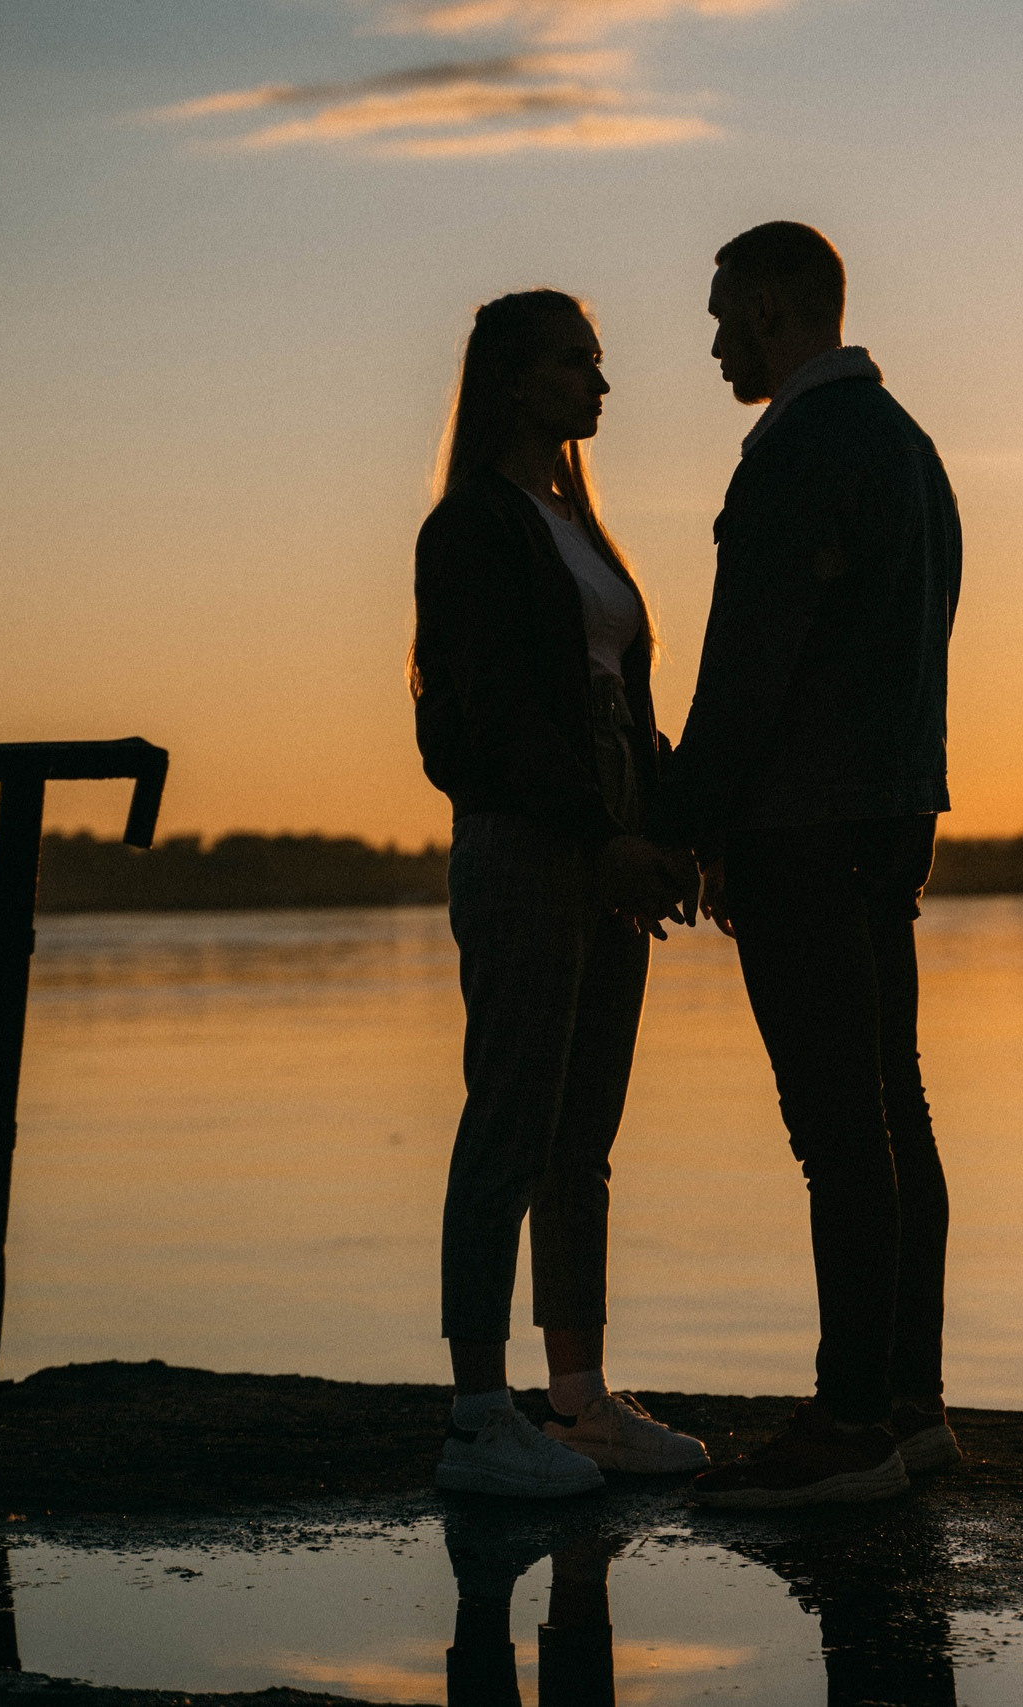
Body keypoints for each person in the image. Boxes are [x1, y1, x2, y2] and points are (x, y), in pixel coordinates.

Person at [660, 223, 965, 1508]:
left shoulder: (799, 454)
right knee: (893, 1108)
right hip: (888, 818)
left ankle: (849, 1425)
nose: (715, 344)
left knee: (836, 1127)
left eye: (723, 317)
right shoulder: (909, 449)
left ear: (774, 310)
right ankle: (909, 1402)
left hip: (802, 827)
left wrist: (681, 821)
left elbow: (750, 665)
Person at [411, 288, 710, 1497]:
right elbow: (494, 716)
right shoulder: (470, 527)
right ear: (516, 379)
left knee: (581, 1139)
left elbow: (627, 711)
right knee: (510, 1125)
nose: (601, 382)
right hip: (527, 851)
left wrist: (671, 831)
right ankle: (478, 1417)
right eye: (580, 361)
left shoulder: (576, 523)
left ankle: (579, 1404)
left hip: (606, 855)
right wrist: (599, 837)